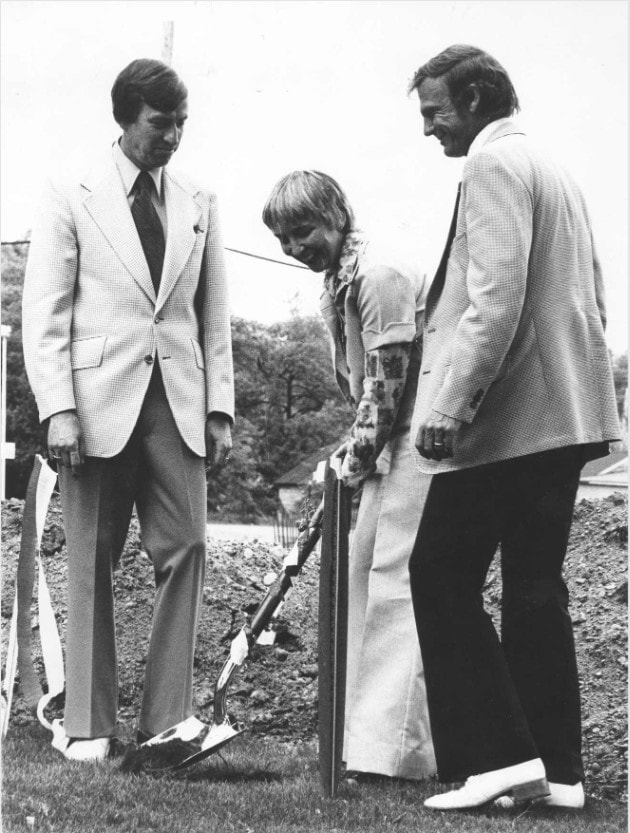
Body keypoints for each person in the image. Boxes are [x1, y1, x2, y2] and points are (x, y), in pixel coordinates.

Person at [406, 44, 621, 810]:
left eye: (434, 111)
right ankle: (561, 774)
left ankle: (498, 755)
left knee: (438, 575)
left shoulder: (492, 168)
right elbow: (591, 294)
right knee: (534, 587)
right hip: (569, 413)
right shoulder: (554, 167)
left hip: (511, 417)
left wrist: (450, 404)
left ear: (473, 101)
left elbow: (493, 301)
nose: (429, 128)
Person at [22, 58, 234, 761]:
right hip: (92, 403)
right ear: (126, 118)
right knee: (91, 558)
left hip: (178, 402)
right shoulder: (67, 191)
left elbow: (214, 315)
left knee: (189, 545)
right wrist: (58, 408)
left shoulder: (201, 197)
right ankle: (88, 723)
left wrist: (220, 408)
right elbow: (44, 312)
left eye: (181, 123)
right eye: (159, 122)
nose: (172, 136)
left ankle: (167, 720)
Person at [262, 170, 436, 781]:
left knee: (394, 589)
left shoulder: (379, 275)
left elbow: (389, 384)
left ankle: (393, 757)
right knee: (365, 582)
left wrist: (353, 461)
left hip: (421, 447)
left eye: (301, 231)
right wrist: (351, 455)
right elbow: (369, 392)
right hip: (393, 449)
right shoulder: (342, 280)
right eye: (283, 239)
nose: (293, 248)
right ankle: (363, 743)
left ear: (337, 214)